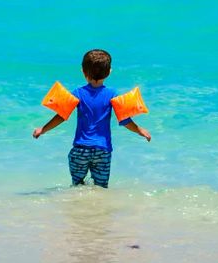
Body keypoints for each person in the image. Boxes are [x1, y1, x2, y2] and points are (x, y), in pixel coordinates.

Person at [33, 49, 151, 188]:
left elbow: (61, 116)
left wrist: (43, 129)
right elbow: (125, 120)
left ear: (83, 71)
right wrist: (140, 130)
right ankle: (98, 209)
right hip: (102, 151)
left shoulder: (77, 93)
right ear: (109, 72)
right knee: (101, 187)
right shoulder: (112, 94)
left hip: (80, 150)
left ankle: (78, 206)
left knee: (77, 186)